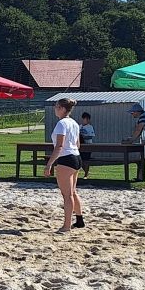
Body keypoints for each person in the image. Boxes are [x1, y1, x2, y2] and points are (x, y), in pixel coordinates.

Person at [44, 98, 84, 233]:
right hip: (76, 157)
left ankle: (66, 226)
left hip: (66, 159)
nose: (55, 109)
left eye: (56, 106)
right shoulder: (74, 123)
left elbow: (59, 146)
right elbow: (78, 144)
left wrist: (49, 164)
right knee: (72, 192)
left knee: (67, 195)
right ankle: (79, 220)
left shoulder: (61, 123)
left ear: (61, 108)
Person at [79, 112, 95, 179]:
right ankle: (85, 171)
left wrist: (83, 137)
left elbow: (91, 136)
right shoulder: (80, 126)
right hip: (81, 146)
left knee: (86, 160)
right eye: (85, 119)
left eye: (87, 119)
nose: (86, 120)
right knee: (81, 160)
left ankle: (86, 174)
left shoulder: (90, 127)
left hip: (88, 145)